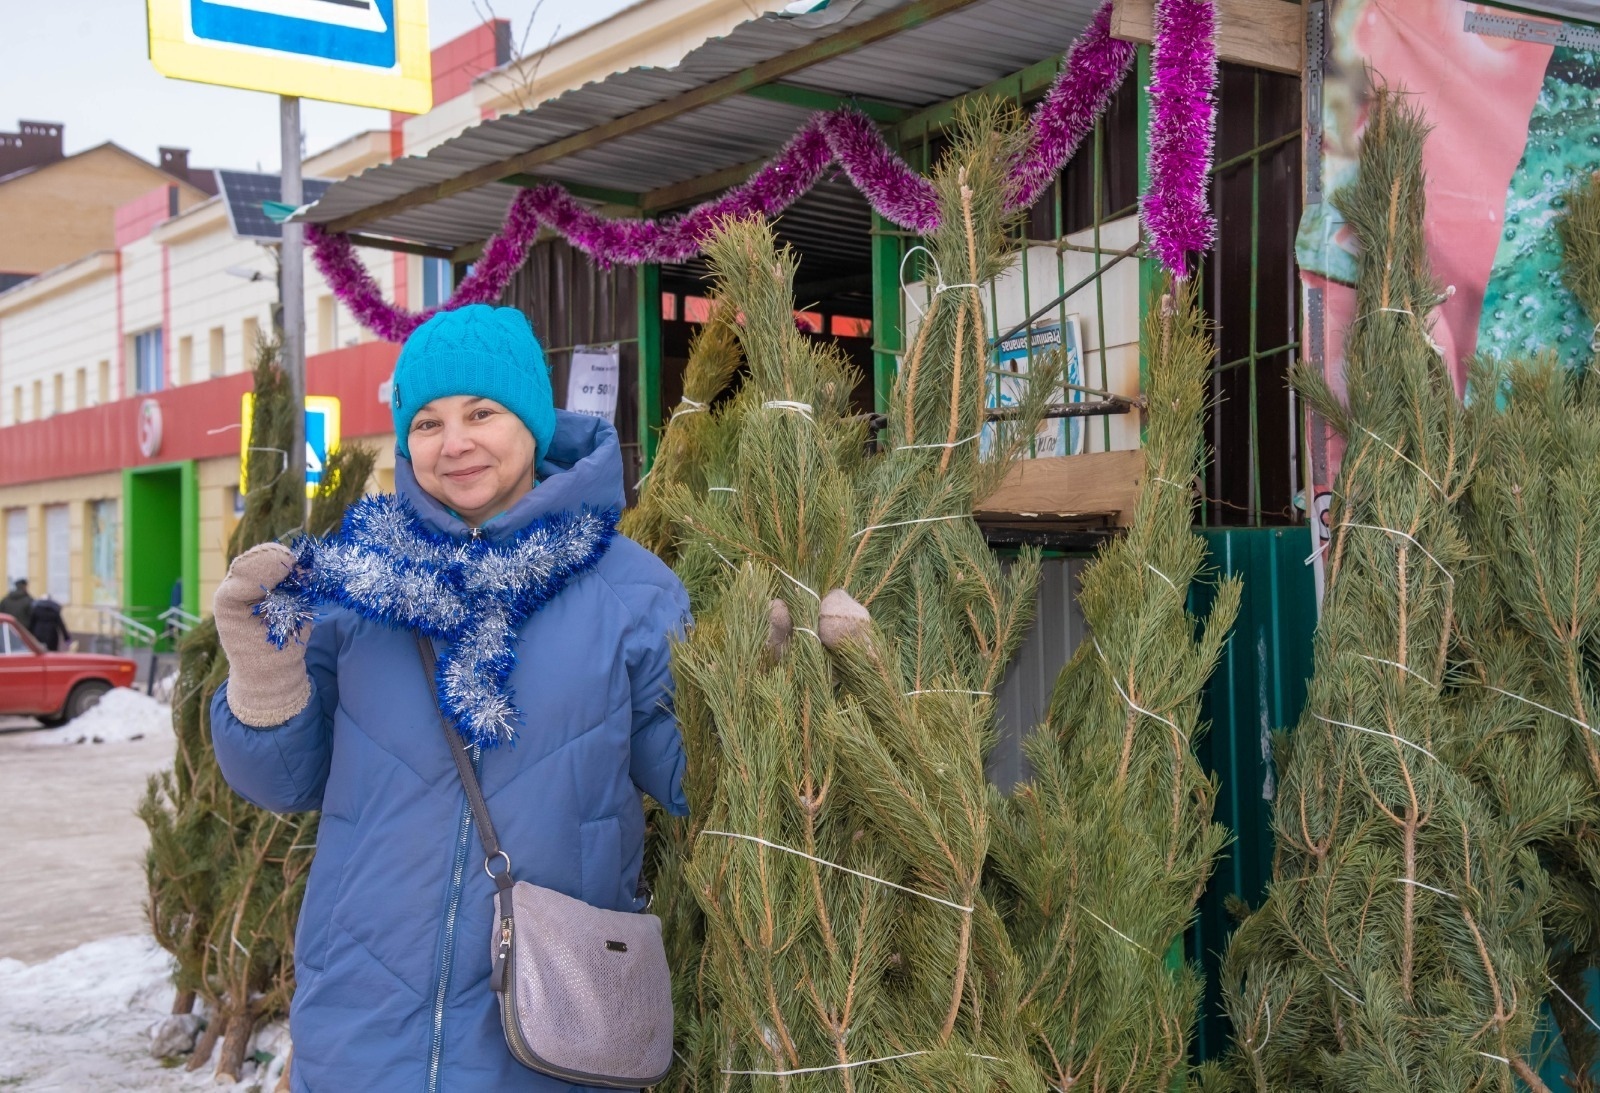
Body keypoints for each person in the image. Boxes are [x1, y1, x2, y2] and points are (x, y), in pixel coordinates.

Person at [208, 305, 690, 1092]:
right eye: (426, 421)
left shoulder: (630, 591)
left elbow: (692, 777)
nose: (454, 442)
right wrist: (264, 680)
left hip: (550, 1035)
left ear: (533, 421)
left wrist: (767, 681)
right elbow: (282, 783)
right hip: (361, 1029)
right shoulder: (352, 584)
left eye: (481, 412)